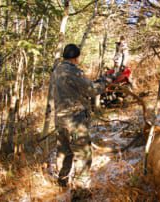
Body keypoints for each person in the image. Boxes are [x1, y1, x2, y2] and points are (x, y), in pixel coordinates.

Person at [50, 44, 107, 187]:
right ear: (75, 58)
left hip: (60, 119)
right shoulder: (73, 72)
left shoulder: (57, 70)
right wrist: (104, 83)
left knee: (64, 152)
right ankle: (80, 191)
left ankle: (62, 182)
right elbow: (91, 90)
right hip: (75, 121)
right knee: (82, 154)